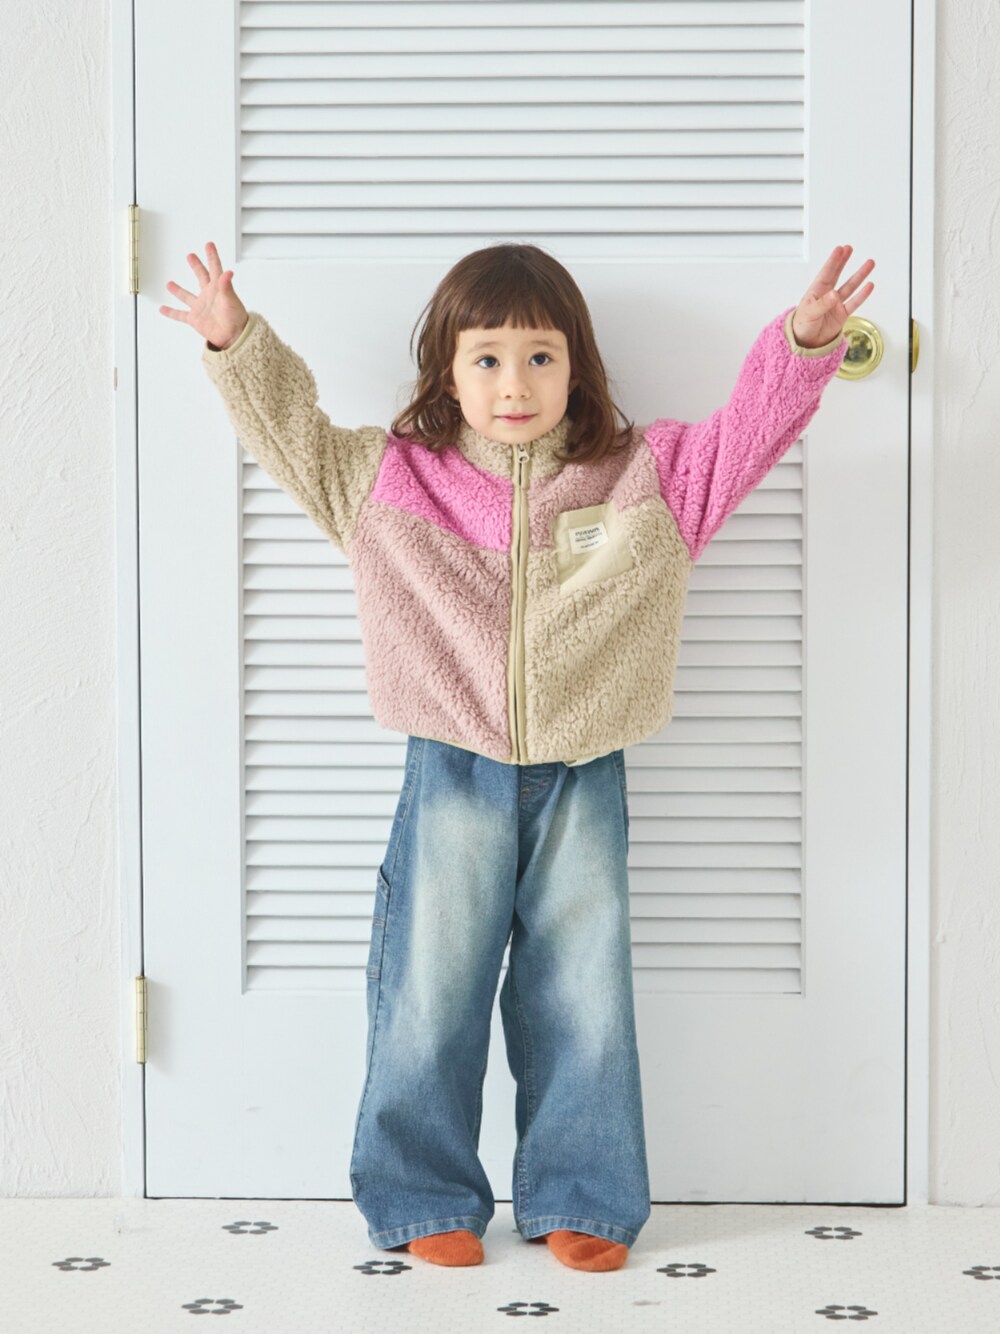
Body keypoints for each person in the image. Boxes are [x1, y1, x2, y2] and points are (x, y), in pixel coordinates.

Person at [160, 240, 874, 1272]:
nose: (514, 383)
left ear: (576, 367)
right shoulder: (392, 479)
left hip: (585, 772)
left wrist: (802, 345)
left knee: (582, 991)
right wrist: (237, 344)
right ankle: (421, 1193)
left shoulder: (644, 479)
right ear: (447, 374)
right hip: (450, 768)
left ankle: (582, 1195)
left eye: (540, 357)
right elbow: (293, 433)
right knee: (429, 987)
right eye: (487, 358)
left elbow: (748, 434)